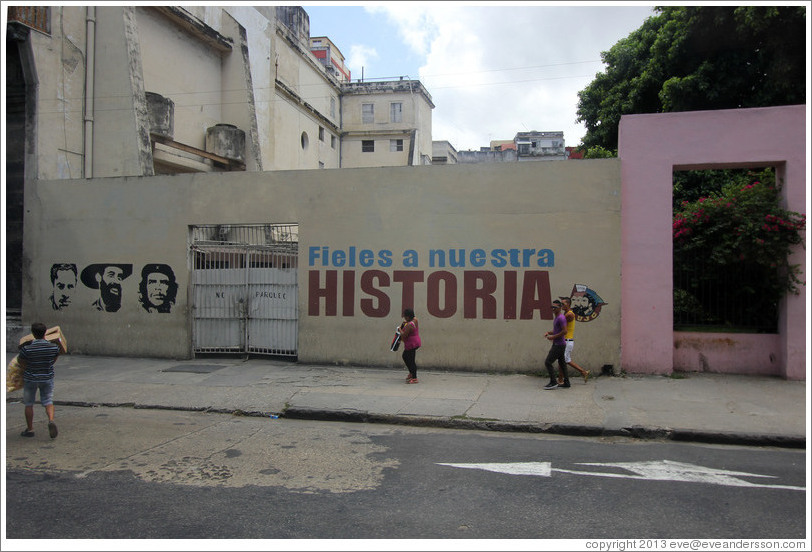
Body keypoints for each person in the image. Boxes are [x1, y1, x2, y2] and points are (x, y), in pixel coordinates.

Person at [18, 322, 61, 438]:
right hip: (47, 377)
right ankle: (51, 420)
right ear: (45, 332)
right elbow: (53, 360)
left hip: (30, 378)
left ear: (33, 333)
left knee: (28, 403)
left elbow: (21, 362)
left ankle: (30, 429)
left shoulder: (27, 348)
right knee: (48, 401)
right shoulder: (53, 347)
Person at [557, 296, 591, 384]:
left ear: (568, 304)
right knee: (566, 360)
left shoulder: (569, 314)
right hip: (566, 341)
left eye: (563, 304)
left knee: (562, 361)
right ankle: (583, 372)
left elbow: (560, 324)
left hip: (567, 341)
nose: (561, 305)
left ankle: (560, 380)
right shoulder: (566, 313)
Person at [543, 300, 569, 390]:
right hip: (559, 344)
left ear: (560, 308)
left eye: (554, 307)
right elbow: (557, 330)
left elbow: (565, 331)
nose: (553, 309)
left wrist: (553, 337)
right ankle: (567, 382)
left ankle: (553, 382)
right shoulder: (557, 317)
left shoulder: (561, 318)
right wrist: (549, 332)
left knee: (548, 362)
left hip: (559, 345)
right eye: (552, 307)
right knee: (562, 363)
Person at [400, 308, 421, 384]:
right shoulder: (415, 320)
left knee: (410, 360)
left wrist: (399, 329)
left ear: (408, 317)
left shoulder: (409, 325)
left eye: (405, 316)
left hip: (411, 344)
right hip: (415, 342)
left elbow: (404, 335)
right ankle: (411, 373)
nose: (404, 318)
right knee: (407, 357)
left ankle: (414, 377)